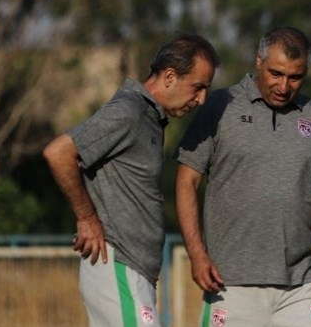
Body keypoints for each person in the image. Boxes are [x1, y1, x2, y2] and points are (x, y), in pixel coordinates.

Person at [176, 26, 311, 326]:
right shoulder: (219, 106)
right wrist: (196, 254)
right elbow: (186, 181)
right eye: (276, 73)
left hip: (300, 285)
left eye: (295, 77)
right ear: (259, 60)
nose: (284, 86)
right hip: (230, 283)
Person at [43, 33, 218, 327]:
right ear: (170, 77)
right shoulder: (130, 112)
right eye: (197, 87)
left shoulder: (151, 117)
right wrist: (86, 218)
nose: (201, 100)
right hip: (118, 264)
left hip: (133, 272)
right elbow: (58, 152)